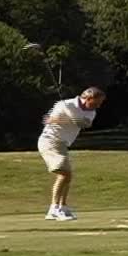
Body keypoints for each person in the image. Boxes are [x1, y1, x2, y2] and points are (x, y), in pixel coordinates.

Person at [38, 87, 106, 221]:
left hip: (62, 144)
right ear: (88, 98)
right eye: (97, 102)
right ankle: (53, 209)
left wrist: (70, 115)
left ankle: (62, 207)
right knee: (65, 173)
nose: (99, 105)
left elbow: (84, 124)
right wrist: (68, 114)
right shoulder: (63, 104)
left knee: (68, 175)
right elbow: (48, 120)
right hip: (50, 141)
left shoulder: (91, 112)